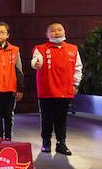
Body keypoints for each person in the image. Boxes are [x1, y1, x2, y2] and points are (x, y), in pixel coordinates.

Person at [31, 22, 82, 155]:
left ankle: (61, 143)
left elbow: (78, 68)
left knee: (61, 118)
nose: (57, 32)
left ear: (64, 31)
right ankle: (46, 142)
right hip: (47, 90)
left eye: (59, 30)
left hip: (65, 90)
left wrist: (75, 84)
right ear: (47, 34)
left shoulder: (73, 49)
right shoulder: (40, 48)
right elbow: (36, 61)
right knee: (46, 118)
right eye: (53, 31)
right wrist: (36, 63)